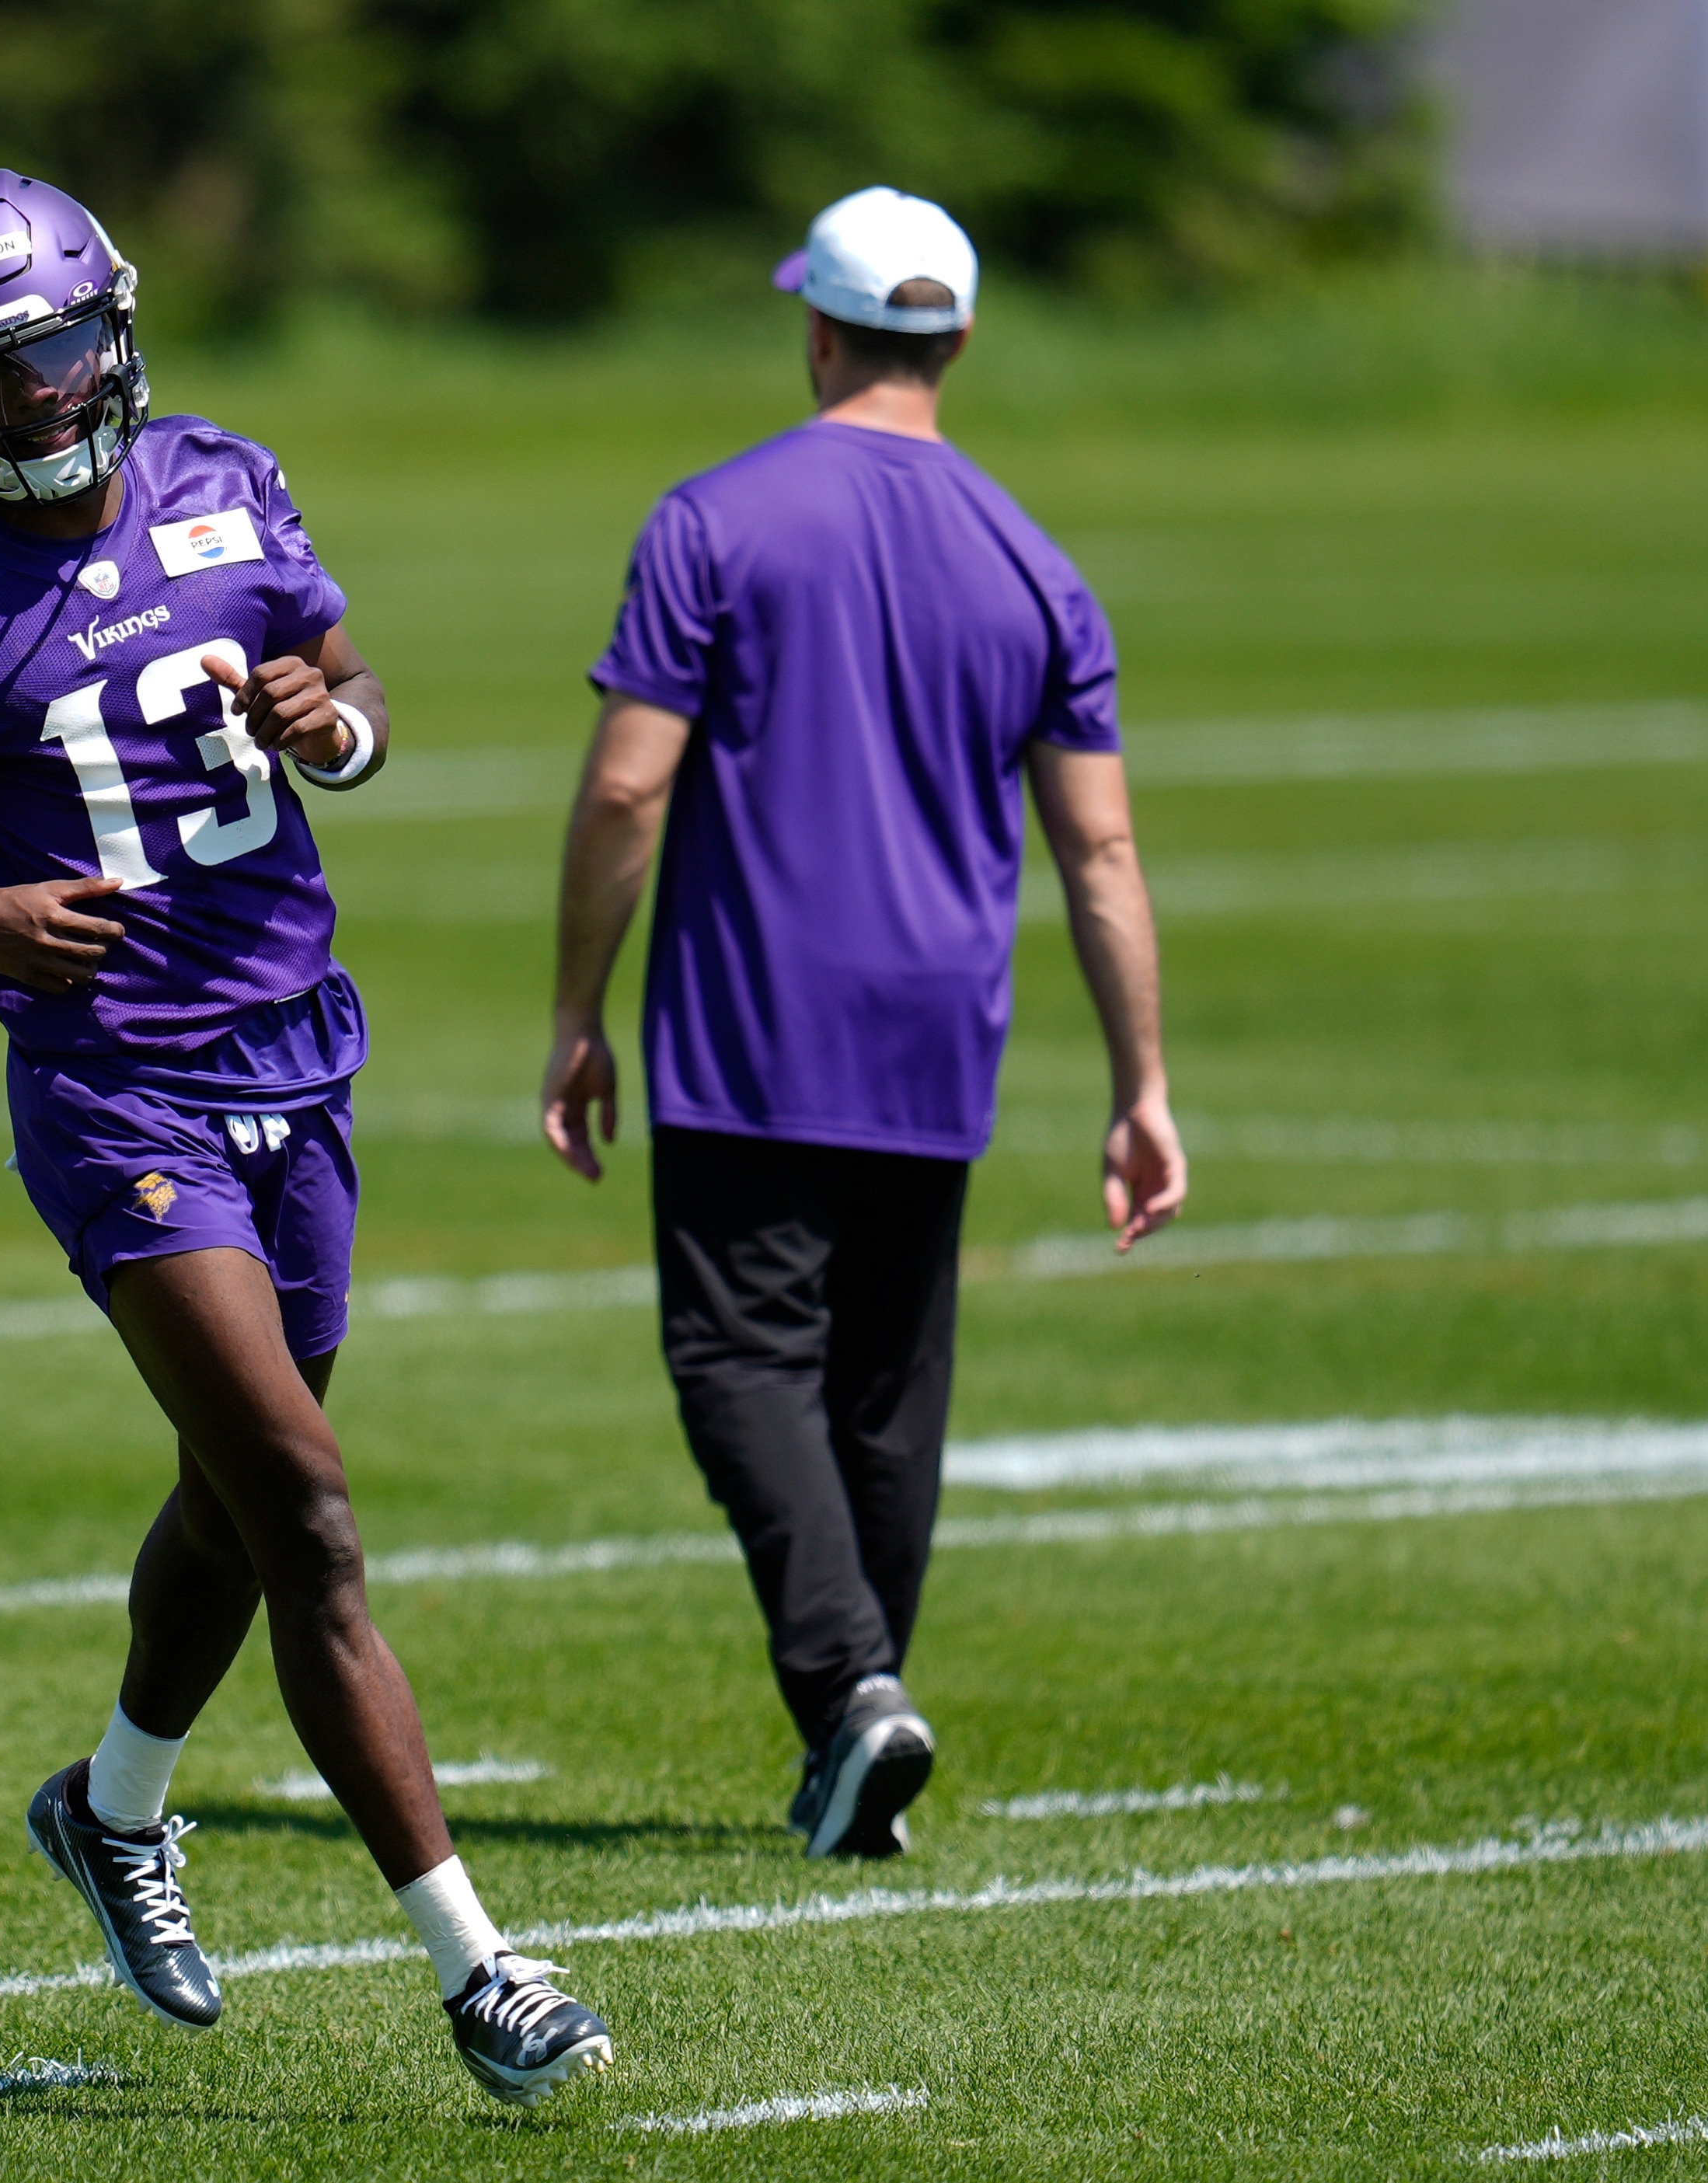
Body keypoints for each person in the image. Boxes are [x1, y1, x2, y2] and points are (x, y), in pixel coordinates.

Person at [0, 168, 612, 2104]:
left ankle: (110, 1802)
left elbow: (351, 687)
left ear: (113, 328)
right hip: (115, 1083)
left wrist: (338, 728)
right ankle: (478, 1968)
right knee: (304, 1502)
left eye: (55, 346)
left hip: (300, 1055)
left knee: (235, 1494)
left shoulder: (227, 481)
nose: (37, 394)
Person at [540, 186, 1187, 1860]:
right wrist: (1142, 1083)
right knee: (887, 1392)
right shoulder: (1034, 560)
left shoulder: (715, 519)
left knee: (740, 1356)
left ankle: (848, 1692)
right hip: (938, 1031)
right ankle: (857, 1727)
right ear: (958, 337)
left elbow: (626, 788)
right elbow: (1099, 845)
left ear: (814, 331)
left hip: (758, 1021)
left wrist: (574, 1008)